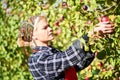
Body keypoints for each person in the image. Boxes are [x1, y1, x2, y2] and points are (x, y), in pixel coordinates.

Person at [17, 15, 114, 80]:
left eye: (49, 26)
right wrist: (89, 35)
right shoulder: (37, 60)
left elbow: (75, 66)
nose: (50, 29)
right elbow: (67, 58)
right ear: (34, 35)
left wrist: (92, 45)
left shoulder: (52, 52)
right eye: (45, 28)